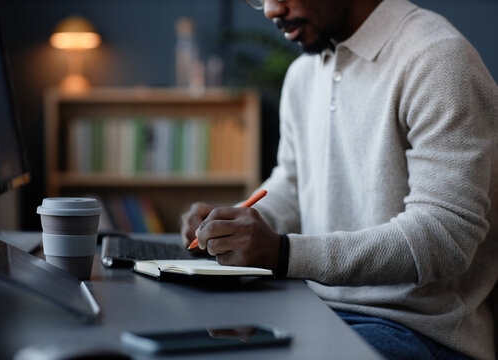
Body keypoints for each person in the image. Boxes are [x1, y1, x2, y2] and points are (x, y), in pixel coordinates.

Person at [180, 0, 498, 358]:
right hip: (313, 306)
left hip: (416, 328)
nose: (271, 10)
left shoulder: (438, 59)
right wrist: (229, 227)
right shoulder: (303, 73)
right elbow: (292, 185)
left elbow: (445, 236)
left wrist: (285, 253)